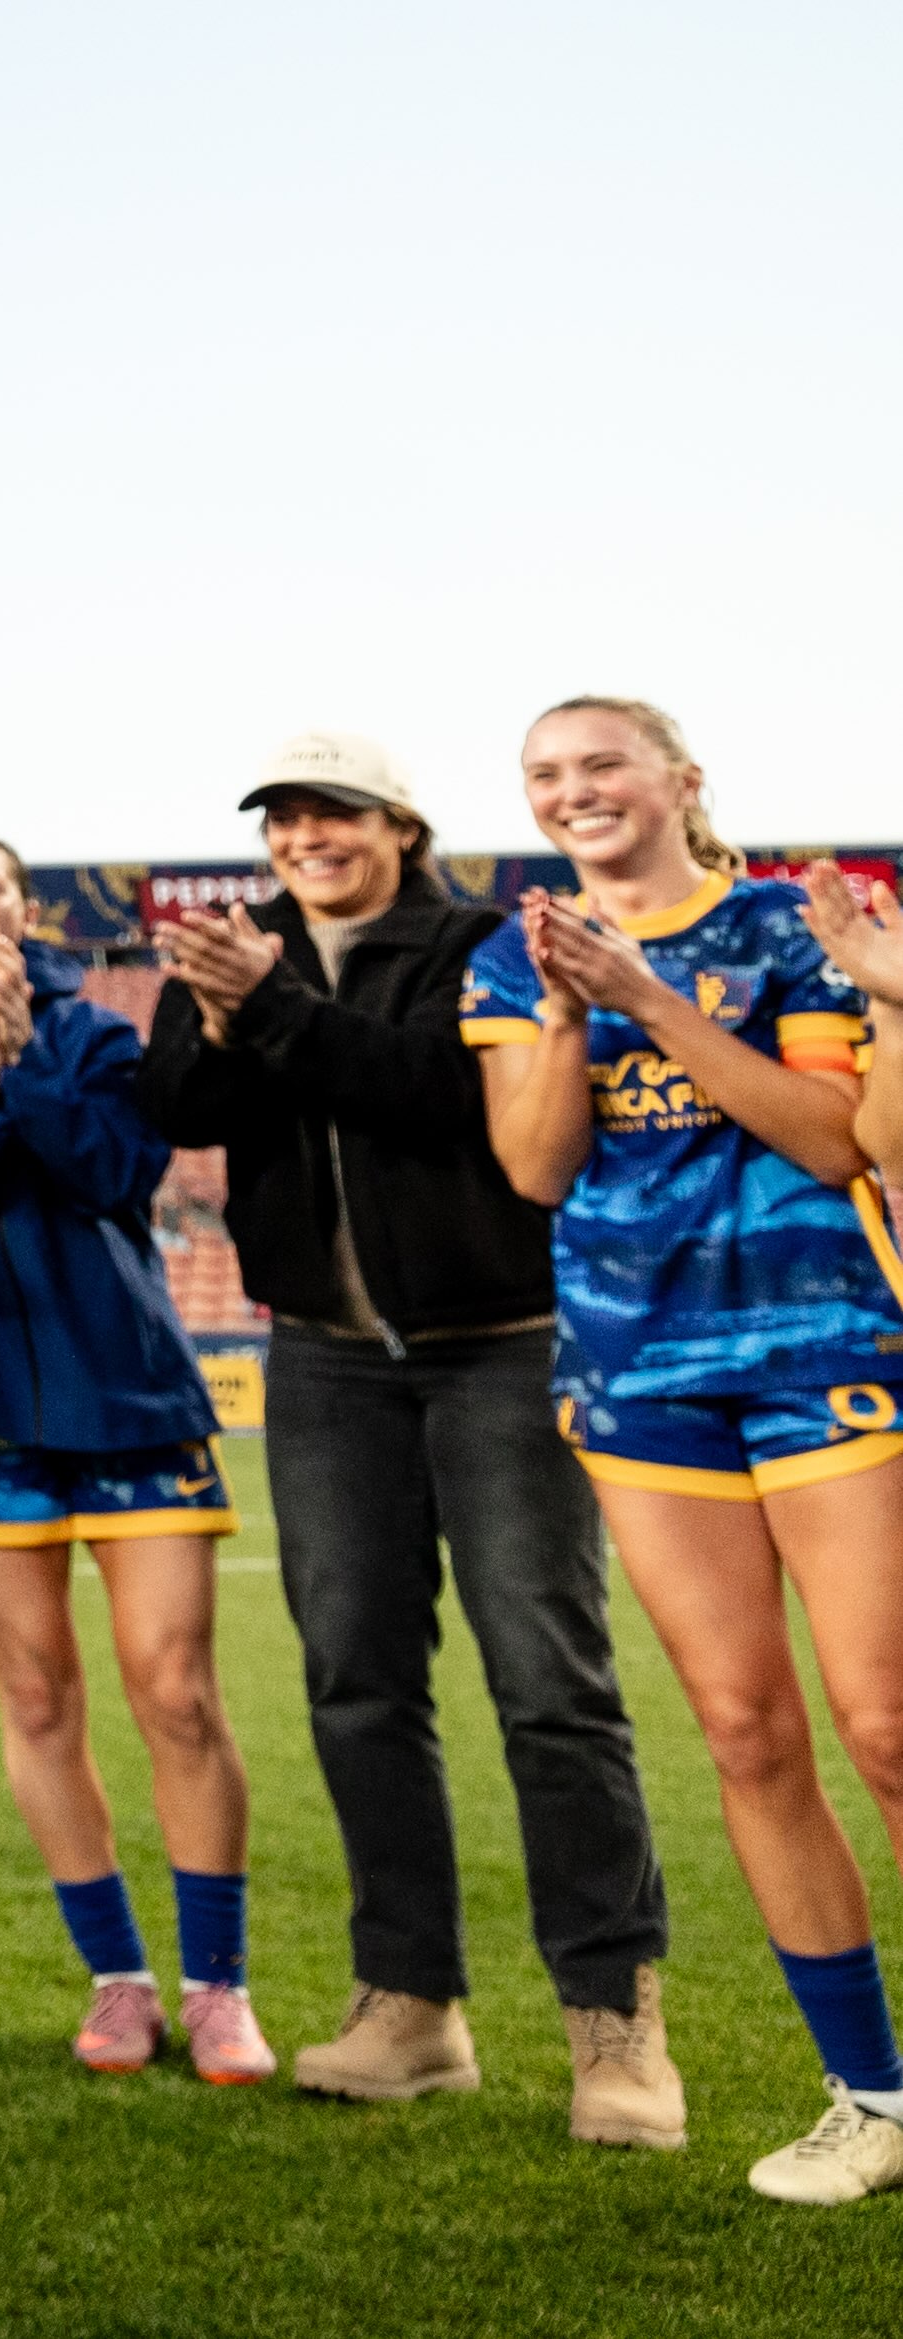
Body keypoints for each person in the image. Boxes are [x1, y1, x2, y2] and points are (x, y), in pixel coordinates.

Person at [147, 732, 678, 2131]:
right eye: (284, 819)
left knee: (551, 1685)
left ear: (399, 820)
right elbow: (178, 1117)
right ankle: (412, 2001)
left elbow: (438, 1099)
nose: (305, 839)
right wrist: (217, 1015)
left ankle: (614, 2022)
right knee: (356, 1679)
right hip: (323, 1359)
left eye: (334, 813)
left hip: (496, 1345)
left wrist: (269, 1005)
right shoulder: (236, 949)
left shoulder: (480, 942)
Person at [473, 700, 900, 2205]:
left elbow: (832, 1136)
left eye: (602, 763)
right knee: (744, 1730)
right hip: (636, 1371)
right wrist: (575, 1009)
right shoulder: (510, 954)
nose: (574, 790)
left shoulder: (786, 921)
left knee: (888, 1720)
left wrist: (654, 996)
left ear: (678, 779)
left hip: (822, 1348)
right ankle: (874, 2095)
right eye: (546, 775)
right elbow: (535, 1165)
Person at [0, 832, 265, 2084]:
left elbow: (111, 1170)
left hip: (132, 1398)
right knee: (37, 1695)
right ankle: (118, 1980)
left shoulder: (99, 1029)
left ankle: (218, 1987)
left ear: (23, 906)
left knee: (175, 1690)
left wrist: (25, 1057)